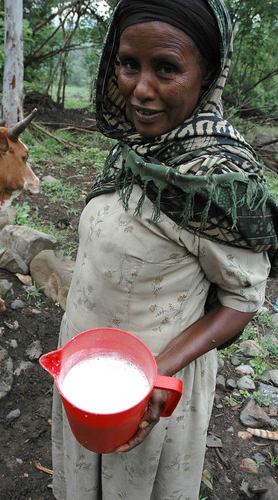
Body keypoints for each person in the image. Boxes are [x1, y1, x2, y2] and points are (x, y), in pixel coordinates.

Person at [51, 0, 278, 498]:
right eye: (130, 64)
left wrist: (158, 371)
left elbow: (243, 298)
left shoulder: (220, 182)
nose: (141, 89)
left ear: (208, 75)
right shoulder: (133, 150)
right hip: (87, 374)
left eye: (167, 68)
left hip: (151, 390)